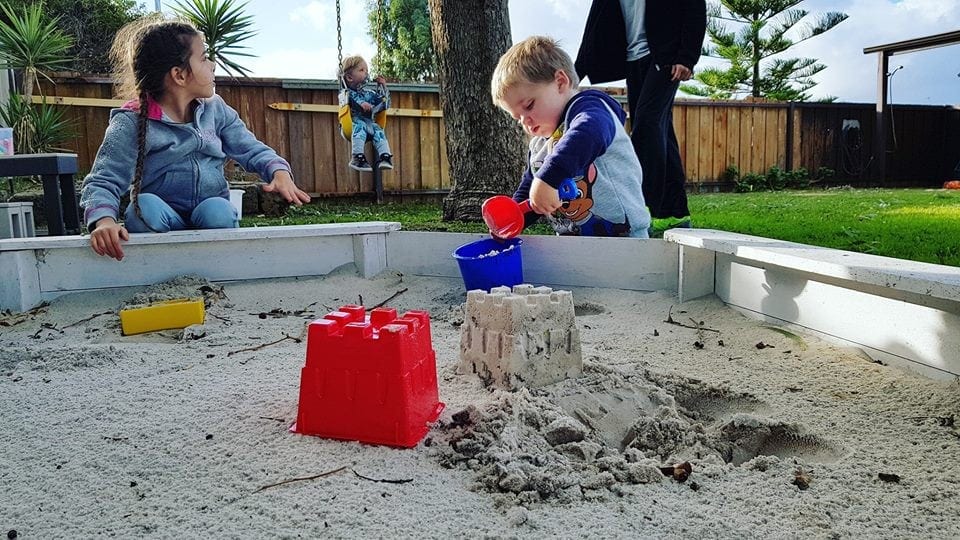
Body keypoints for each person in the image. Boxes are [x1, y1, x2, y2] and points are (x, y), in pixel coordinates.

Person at [79, 17, 311, 262]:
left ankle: (216, 268)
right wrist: (104, 221)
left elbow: (251, 148)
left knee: (218, 210)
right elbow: (104, 179)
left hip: (209, 216)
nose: (212, 65)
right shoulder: (132, 121)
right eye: (203, 58)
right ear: (179, 75)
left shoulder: (215, 109)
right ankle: (160, 268)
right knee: (143, 207)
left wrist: (279, 172)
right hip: (161, 221)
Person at [491, 36, 650, 238]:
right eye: (517, 118)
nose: (525, 121)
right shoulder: (540, 144)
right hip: (573, 245)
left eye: (529, 105)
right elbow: (531, 191)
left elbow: (589, 133)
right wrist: (513, 219)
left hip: (624, 240)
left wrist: (549, 178)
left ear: (560, 82)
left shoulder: (590, 109)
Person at [575, 0, 706, 232]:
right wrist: (576, 73)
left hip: (664, 59)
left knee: (647, 127)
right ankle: (676, 213)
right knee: (662, 134)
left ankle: (642, 207)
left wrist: (687, 57)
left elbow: (694, 7)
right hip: (633, 61)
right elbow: (594, 26)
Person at [340, 55, 393, 172]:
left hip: (369, 124)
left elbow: (385, 104)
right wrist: (360, 104)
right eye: (362, 70)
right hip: (351, 124)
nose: (366, 73)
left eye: (367, 70)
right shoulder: (346, 93)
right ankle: (357, 158)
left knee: (378, 130)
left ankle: (385, 156)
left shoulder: (369, 93)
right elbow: (349, 101)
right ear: (349, 77)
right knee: (361, 125)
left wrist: (383, 86)